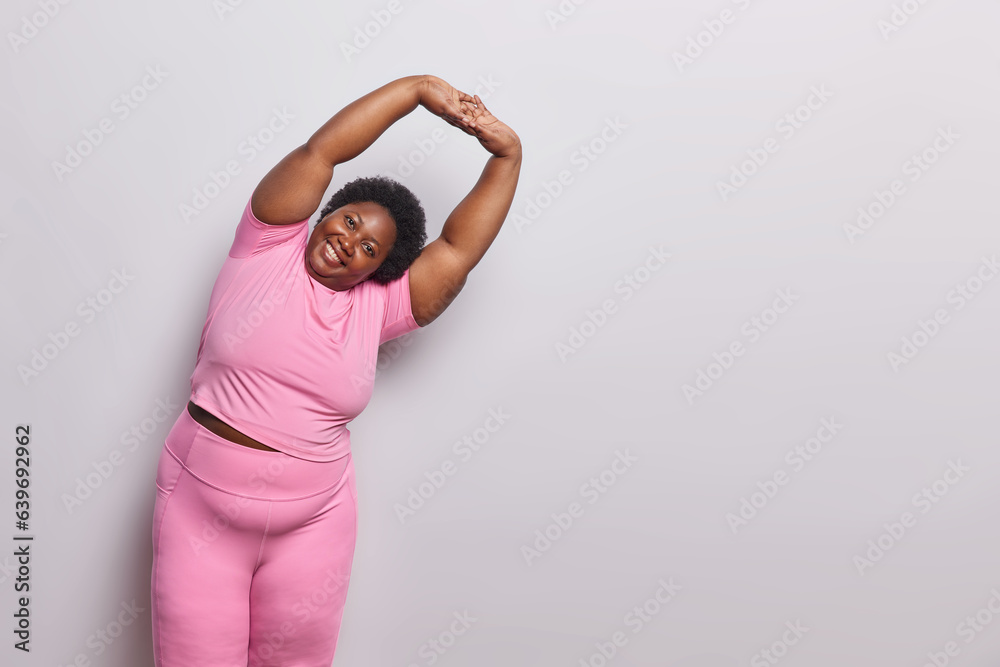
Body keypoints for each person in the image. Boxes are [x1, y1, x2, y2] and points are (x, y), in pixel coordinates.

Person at [149, 74, 521, 666]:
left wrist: (507, 154)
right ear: (328, 211)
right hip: (203, 511)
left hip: (314, 523)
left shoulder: (377, 308)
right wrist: (417, 91)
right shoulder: (266, 244)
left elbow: (456, 250)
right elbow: (322, 152)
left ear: (380, 269)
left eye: (370, 248)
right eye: (350, 221)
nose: (351, 242)